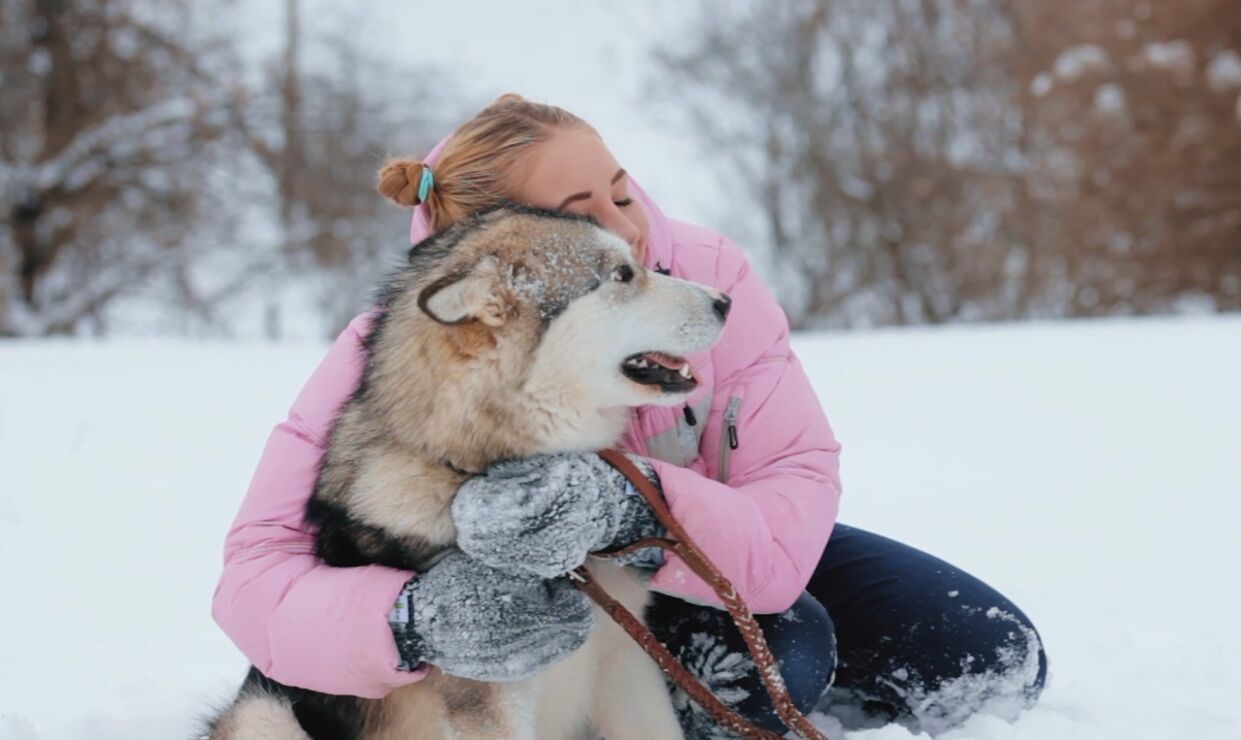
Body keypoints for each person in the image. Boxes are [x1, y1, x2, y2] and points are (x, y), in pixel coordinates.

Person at [212, 94, 1047, 737]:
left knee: (988, 657)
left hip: (711, 548)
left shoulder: (704, 274)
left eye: (623, 192)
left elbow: (793, 485)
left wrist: (632, 502)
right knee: (787, 657)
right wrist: (410, 621)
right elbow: (255, 573)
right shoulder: (406, 346)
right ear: (503, 259)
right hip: (552, 619)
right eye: (582, 214)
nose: (630, 232)